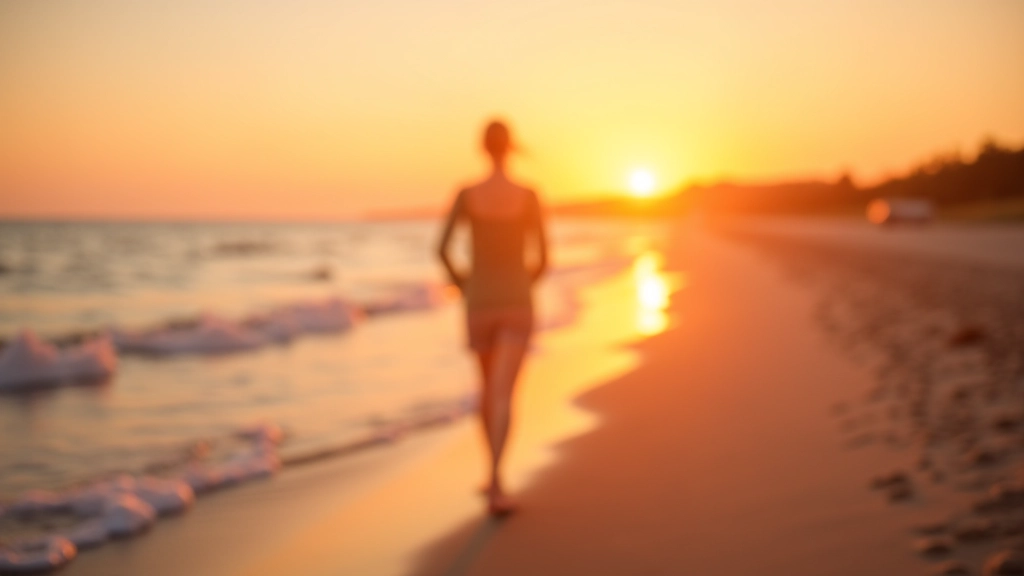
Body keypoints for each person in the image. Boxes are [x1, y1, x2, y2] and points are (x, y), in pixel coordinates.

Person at [437, 119, 548, 516]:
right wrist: (522, 283)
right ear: (510, 147)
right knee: (503, 393)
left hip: (479, 302)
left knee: (487, 391)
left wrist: (464, 285)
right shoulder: (529, 195)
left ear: (483, 147)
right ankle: (498, 481)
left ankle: (492, 475)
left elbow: (443, 250)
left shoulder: (467, 194)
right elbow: (544, 257)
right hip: (517, 301)